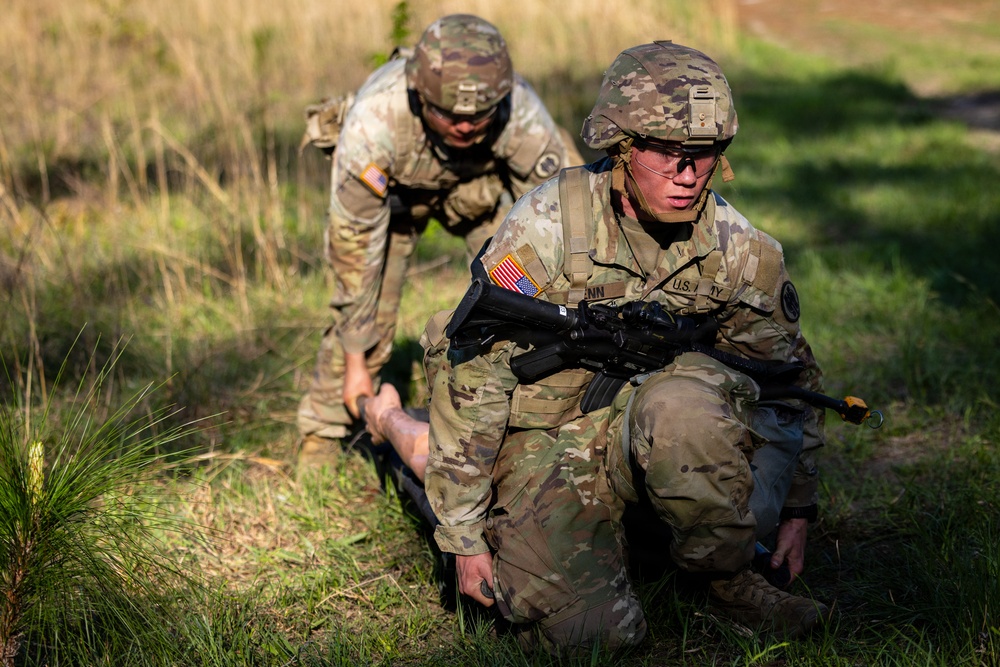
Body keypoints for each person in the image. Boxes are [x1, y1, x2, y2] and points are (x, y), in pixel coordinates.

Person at [365, 40, 834, 655]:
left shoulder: (741, 251)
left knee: (689, 408)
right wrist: (463, 537)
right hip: (543, 442)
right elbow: (475, 376)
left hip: (653, 431)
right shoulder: (546, 230)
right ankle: (395, 427)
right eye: (667, 152)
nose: (688, 175)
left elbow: (787, 378)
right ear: (622, 146)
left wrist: (798, 508)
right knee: (593, 638)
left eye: (705, 154)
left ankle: (727, 580)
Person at [297, 14, 583, 465]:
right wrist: (356, 357)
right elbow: (354, 257)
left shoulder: (521, 114)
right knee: (366, 306)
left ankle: (524, 414)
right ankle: (326, 426)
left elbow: (566, 212)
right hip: (395, 204)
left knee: (525, 299)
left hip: (480, 199)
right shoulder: (374, 125)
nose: (465, 127)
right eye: (447, 115)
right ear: (419, 96)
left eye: (479, 116)